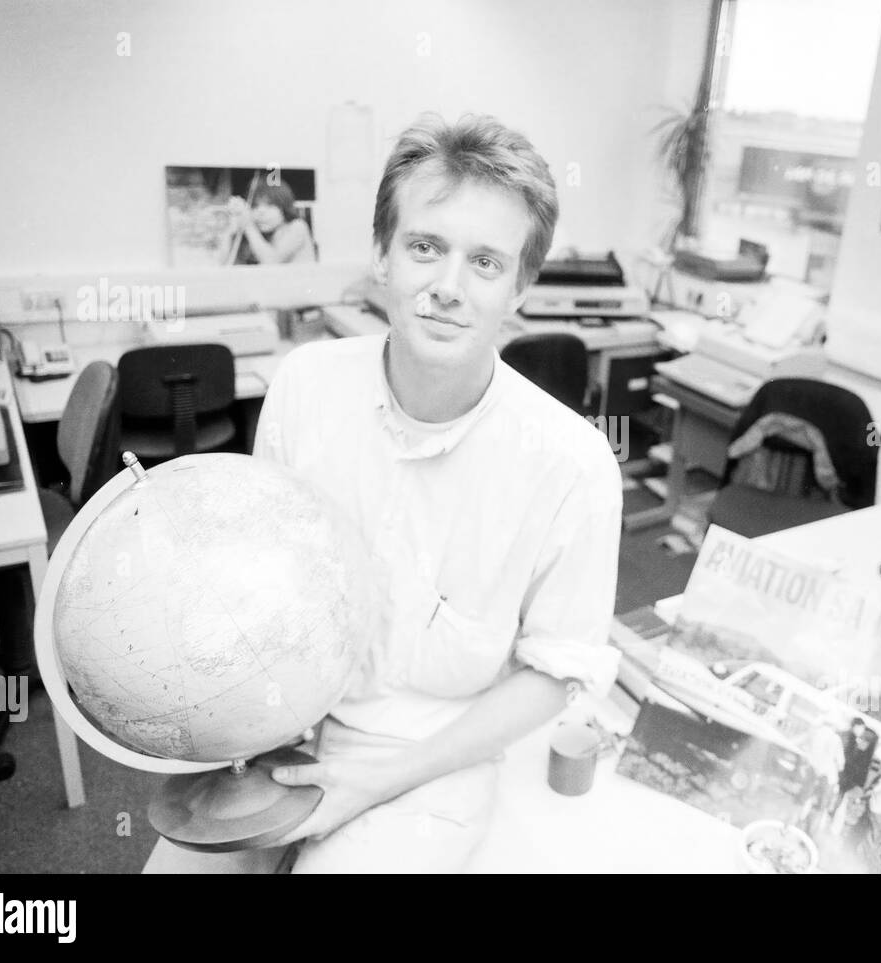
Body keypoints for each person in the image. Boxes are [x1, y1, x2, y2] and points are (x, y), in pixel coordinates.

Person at [147, 114, 622, 873]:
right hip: (284, 717)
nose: (447, 288)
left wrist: (382, 778)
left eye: (486, 262)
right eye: (425, 246)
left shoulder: (573, 463)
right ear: (382, 255)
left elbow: (558, 670)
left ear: (522, 285)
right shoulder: (305, 384)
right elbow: (267, 579)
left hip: (431, 750)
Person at [226, 182, 317, 264]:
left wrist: (248, 225)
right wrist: (230, 231)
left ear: (283, 207)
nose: (261, 212)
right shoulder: (260, 235)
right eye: (255, 206)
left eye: (269, 205)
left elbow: (272, 261)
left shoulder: (297, 227)